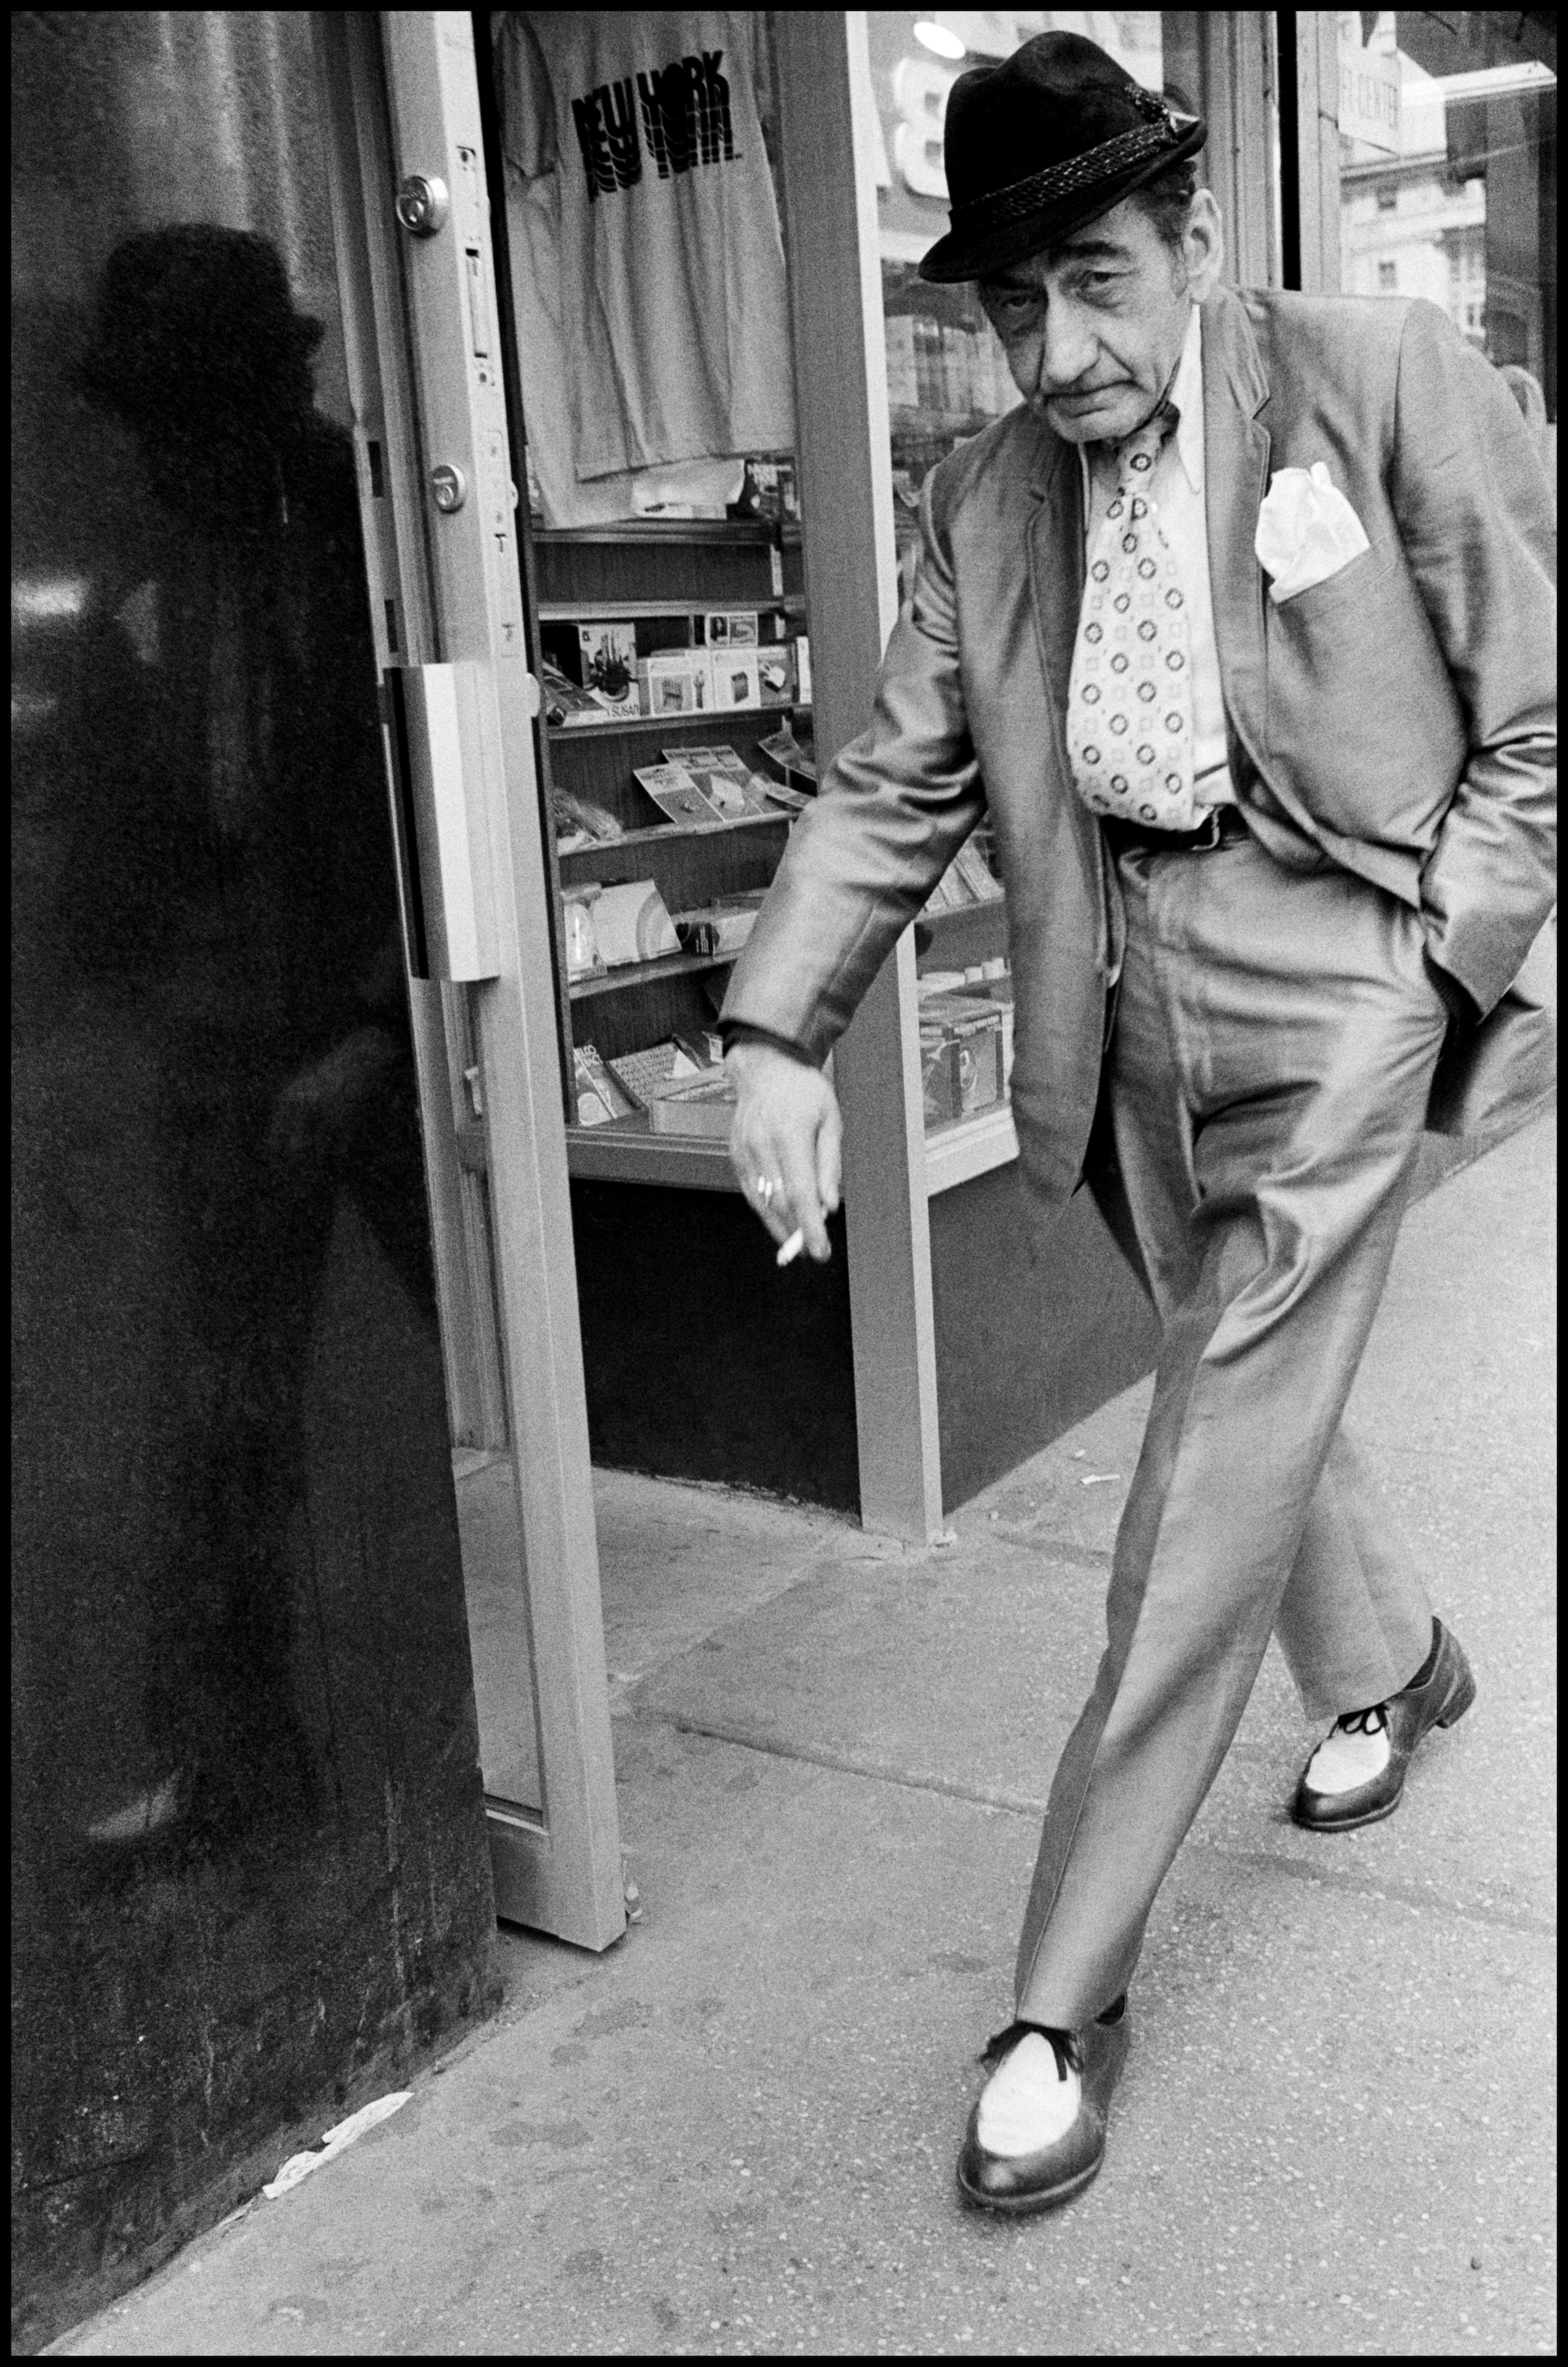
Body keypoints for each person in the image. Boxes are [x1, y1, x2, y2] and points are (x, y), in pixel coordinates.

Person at [717, 33, 1556, 2213]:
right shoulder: (985, 495)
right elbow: (900, 777)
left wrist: (1439, 951)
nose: (1060, 350)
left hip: (1342, 960)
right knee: (1236, 1372)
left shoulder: (1373, 380)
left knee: (1196, 1468)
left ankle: (1059, 1997)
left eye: (1095, 282)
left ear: (1191, 238)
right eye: (1014, 310)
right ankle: (1396, 1660)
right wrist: (780, 1034)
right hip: (1115, 985)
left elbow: (1544, 709)